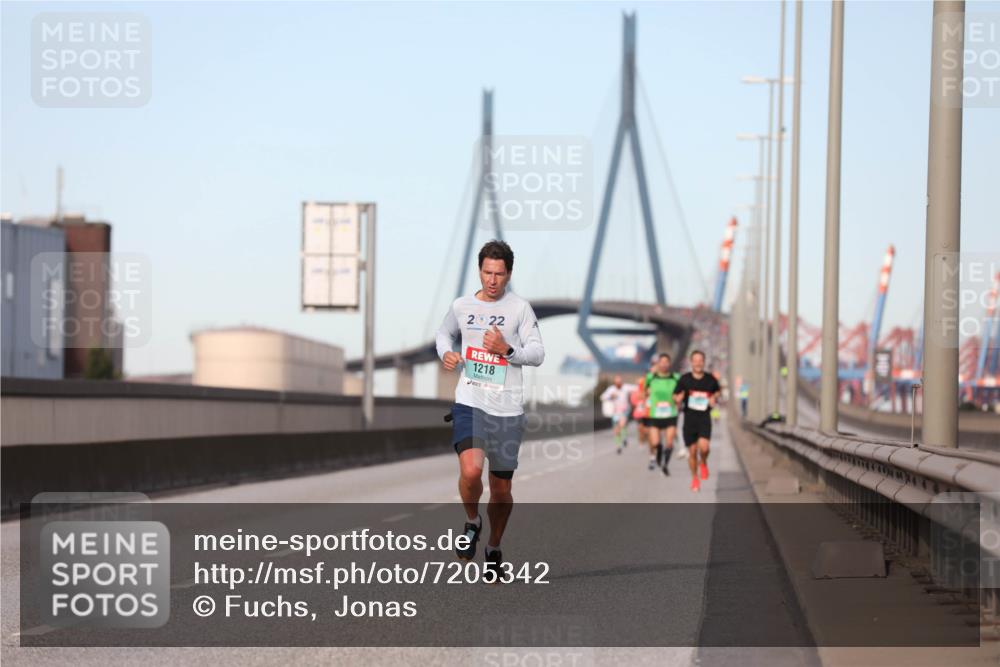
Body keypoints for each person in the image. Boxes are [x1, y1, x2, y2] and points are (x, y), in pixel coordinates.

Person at [436, 240, 544, 580]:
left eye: (499, 274)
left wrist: (507, 349)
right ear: (479, 270)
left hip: (508, 409)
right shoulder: (462, 305)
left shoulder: (520, 309)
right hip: (471, 401)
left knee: (501, 491)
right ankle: (472, 522)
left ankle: (494, 546)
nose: (492, 280)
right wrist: (447, 354)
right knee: (470, 471)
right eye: (487, 272)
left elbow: (538, 353)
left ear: (509, 274)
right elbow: (443, 334)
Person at [673, 350, 721, 492]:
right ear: (691, 362)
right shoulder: (684, 379)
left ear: (704, 362)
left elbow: (717, 391)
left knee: (704, 448)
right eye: (696, 360)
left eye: (701, 360)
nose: (698, 363)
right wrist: (678, 398)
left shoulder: (710, 379)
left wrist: (714, 397)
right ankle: (695, 478)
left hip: (704, 418)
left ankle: (704, 462)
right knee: (692, 452)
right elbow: (675, 395)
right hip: (689, 419)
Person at [643, 353, 681, 474]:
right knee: (655, 443)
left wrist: (679, 397)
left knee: (669, 442)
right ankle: (659, 454)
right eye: (662, 362)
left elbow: (683, 391)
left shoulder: (676, 377)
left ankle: (665, 464)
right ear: (658, 364)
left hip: (671, 414)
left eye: (666, 362)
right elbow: (644, 391)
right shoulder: (650, 377)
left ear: (669, 364)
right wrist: (646, 394)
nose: (664, 364)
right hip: (655, 414)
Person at [600, 375, 638, 454]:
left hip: (624, 410)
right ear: (614, 383)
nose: (619, 384)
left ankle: (624, 438)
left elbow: (636, 388)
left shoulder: (626, 387)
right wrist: (610, 396)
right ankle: (618, 446)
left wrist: (640, 384)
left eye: (620, 382)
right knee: (616, 431)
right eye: (617, 382)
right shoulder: (611, 389)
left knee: (622, 424)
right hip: (615, 411)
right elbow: (602, 397)